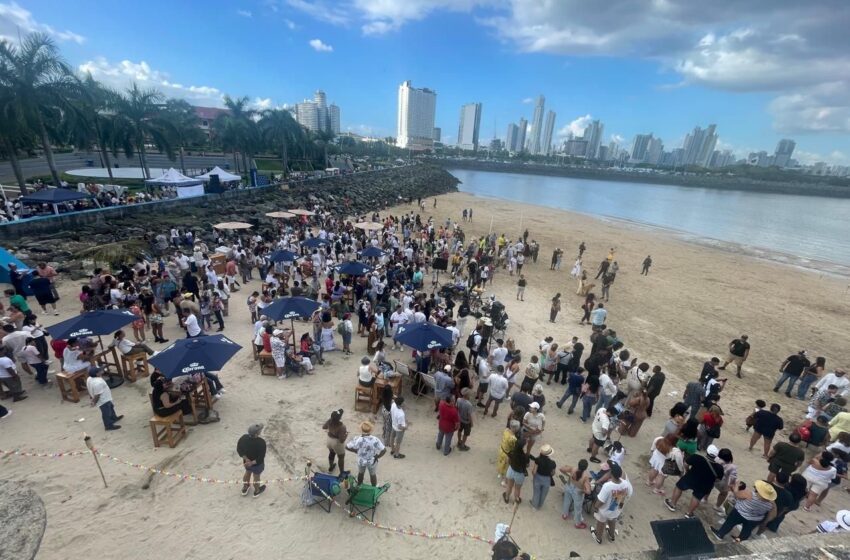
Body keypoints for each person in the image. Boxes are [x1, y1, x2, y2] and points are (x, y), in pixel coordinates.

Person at [664, 444, 724, 518]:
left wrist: (688, 470)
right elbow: (718, 480)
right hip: (705, 484)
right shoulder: (719, 468)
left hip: (691, 478)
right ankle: (689, 513)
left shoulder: (696, 457)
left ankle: (672, 504)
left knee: (679, 487)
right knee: (697, 497)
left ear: (707, 452)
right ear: (716, 456)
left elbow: (686, 464)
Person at [711, 481, 777, 542]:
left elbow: (736, 494)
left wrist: (737, 485)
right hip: (754, 520)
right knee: (746, 531)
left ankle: (720, 535)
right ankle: (739, 540)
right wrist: (765, 521)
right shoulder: (772, 504)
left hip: (739, 513)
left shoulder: (749, 494)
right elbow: (773, 515)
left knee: (729, 523)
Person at [591, 462, 632, 545]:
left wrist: (596, 507)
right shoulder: (625, 483)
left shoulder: (607, 486)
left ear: (611, 474)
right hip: (616, 509)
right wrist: (620, 507)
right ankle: (611, 535)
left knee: (601, 523)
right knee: (612, 520)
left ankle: (598, 537)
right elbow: (624, 496)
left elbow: (601, 501)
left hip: (604, 511)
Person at [346, 421, 386, 486]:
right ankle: (374, 487)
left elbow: (347, 447)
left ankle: (359, 485)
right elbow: (384, 450)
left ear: (361, 430)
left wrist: (355, 451)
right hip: (372, 461)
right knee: (372, 474)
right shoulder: (375, 439)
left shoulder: (357, 439)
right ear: (370, 430)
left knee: (361, 473)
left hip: (361, 460)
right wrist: (377, 456)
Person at [86, 366, 122, 431]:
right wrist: (94, 402)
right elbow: (97, 395)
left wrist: (91, 396)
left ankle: (114, 418)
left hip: (106, 398)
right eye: (100, 370)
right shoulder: (98, 383)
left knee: (111, 407)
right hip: (103, 400)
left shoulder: (89, 378)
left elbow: (89, 388)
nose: (102, 370)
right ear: (97, 374)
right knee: (106, 413)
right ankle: (108, 426)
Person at [237, 424, 267, 497]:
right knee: (256, 476)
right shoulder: (261, 442)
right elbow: (261, 457)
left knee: (247, 472)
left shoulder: (243, 438)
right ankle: (257, 491)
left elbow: (239, 450)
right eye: (260, 430)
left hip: (246, 462)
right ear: (257, 433)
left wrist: (247, 460)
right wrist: (252, 463)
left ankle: (245, 487)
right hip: (257, 464)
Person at [560, 459, 591, 529]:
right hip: (578, 491)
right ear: (586, 467)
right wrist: (582, 491)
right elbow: (588, 491)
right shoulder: (585, 476)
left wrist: (568, 476)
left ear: (578, 464)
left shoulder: (573, 469)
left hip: (569, 486)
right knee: (578, 508)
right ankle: (577, 523)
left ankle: (565, 515)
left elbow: (561, 469)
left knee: (566, 502)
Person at [503, 432, 529, 505]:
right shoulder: (525, 457)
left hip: (511, 470)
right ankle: (516, 500)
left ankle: (507, 498)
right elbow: (527, 465)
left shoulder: (512, 452)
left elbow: (507, 461)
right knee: (517, 488)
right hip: (520, 473)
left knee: (509, 486)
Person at [530, 444, 556, 510]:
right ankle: (540, 505)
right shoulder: (553, 463)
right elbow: (553, 473)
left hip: (538, 477)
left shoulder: (538, 460)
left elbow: (534, 472)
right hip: (547, 479)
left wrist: (533, 475)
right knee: (544, 493)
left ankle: (534, 506)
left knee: (536, 492)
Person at [322, 409, 348, 473]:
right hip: (336, 443)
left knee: (331, 453)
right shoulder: (342, 427)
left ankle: (331, 466)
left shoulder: (329, 421)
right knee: (341, 457)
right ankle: (341, 472)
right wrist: (346, 435)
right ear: (339, 418)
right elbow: (341, 440)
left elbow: (324, 427)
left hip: (329, 440)